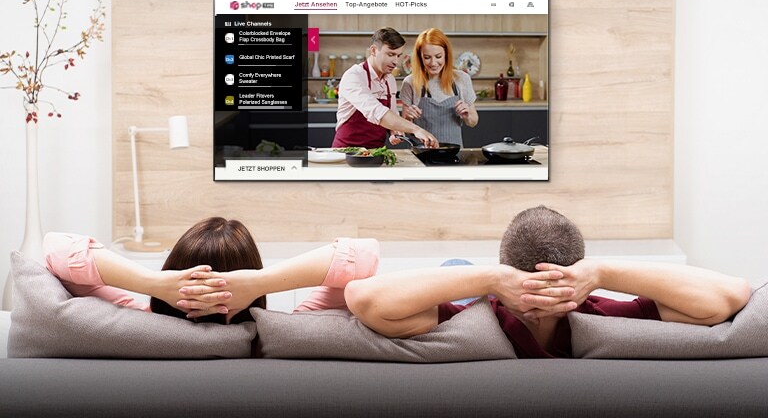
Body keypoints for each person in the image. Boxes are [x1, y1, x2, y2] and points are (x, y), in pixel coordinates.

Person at [340, 206, 752, 357]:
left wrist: (490, 277)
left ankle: (464, 269)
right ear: (580, 276)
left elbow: (362, 299)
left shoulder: (468, 322)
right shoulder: (608, 316)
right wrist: (602, 273)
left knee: (454, 268)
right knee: (453, 266)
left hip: (478, 293)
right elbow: (731, 295)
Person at [44, 217, 380, 324]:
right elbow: (363, 257)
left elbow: (56, 250)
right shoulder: (289, 334)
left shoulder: (132, 322)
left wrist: (154, 284)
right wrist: (259, 283)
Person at [331, 27, 438, 149]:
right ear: (374, 50)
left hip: (376, 153)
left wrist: (394, 131)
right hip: (347, 152)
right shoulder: (354, 76)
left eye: (398, 56)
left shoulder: (389, 79)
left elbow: (391, 114)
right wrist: (416, 130)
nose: (395, 62)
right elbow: (378, 113)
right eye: (391, 54)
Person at [400, 28, 479, 147]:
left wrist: (467, 116)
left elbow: (473, 122)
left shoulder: (462, 79)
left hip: (453, 155)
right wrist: (408, 117)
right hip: (421, 155)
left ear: (446, 55)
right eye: (427, 57)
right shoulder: (410, 82)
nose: (433, 63)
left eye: (438, 56)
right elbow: (405, 128)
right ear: (419, 57)